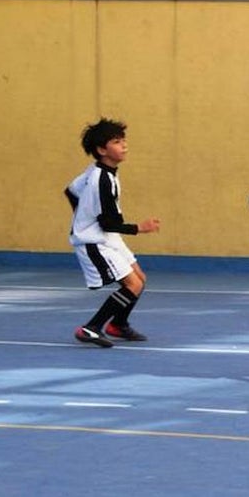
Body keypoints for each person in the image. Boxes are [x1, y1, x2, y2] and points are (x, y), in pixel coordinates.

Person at [66, 118, 160, 348]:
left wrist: (82, 213)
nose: (124, 145)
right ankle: (91, 327)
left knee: (140, 279)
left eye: (123, 140)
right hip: (94, 239)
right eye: (117, 142)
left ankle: (117, 325)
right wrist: (140, 228)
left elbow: (70, 191)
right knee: (132, 285)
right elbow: (109, 223)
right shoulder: (103, 181)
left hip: (106, 236)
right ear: (101, 150)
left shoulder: (99, 171)